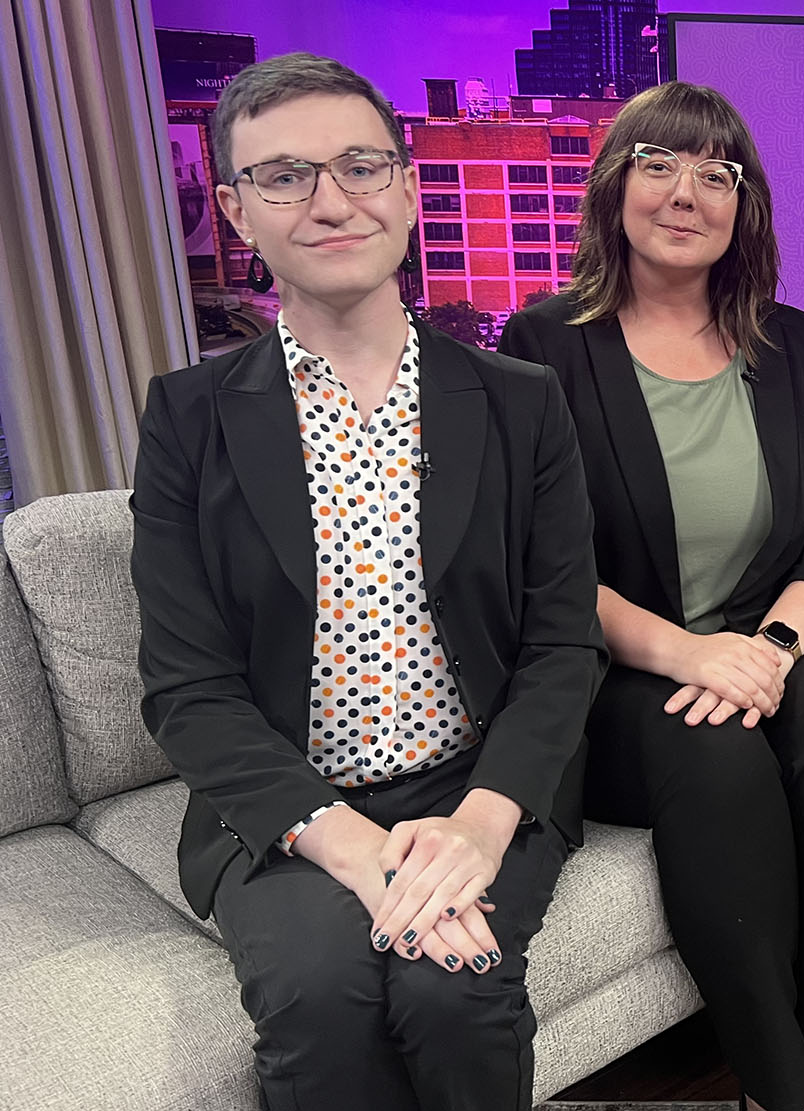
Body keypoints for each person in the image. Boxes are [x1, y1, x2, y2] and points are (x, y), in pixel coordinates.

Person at [131, 53, 605, 1111]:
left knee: (458, 987)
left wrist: (482, 822)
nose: (333, 201)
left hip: (474, 779)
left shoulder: (521, 400)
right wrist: (354, 848)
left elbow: (562, 642)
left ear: (406, 185)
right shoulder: (188, 420)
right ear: (236, 211)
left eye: (360, 165)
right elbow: (187, 687)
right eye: (285, 176)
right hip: (292, 803)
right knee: (318, 993)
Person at [498, 82, 804, 1111]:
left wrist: (771, 647)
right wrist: (690, 654)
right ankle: (780, 1086)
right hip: (619, 668)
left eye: (716, 174)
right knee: (718, 757)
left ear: (742, 206)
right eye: (658, 165)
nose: (686, 193)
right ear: (614, 188)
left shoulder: (794, 342)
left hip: (763, 638)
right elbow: (538, 566)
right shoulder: (544, 347)